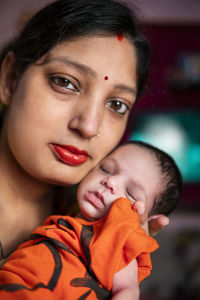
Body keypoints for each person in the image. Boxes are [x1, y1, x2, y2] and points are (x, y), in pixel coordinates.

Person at [0, 0, 169, 278]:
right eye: (65, 82)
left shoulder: (90, 223)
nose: (89, 127)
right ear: (10, 79)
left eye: (116, 105)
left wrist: (108, 272)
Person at [0, 141, 182, 300]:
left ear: (147, 219)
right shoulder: (65, 220)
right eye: (106, 169)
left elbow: (128, 291)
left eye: (131, 193)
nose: (110, 181)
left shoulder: (115, 241)